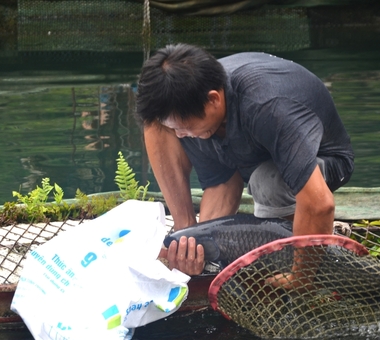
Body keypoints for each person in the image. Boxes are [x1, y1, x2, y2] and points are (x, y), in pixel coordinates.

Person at [136, 44, 354, 276]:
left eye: (185, 126)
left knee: (266, 183)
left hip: (323, 159)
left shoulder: (267, 106)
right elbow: (221, 183)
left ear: (214, 100)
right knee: (157, 126)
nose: (180, 135)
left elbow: (320, 203)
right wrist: (192, 244)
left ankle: (299, 251)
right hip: (249, 153)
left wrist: (301, 279)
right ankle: (185, 228)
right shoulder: (193, 113)